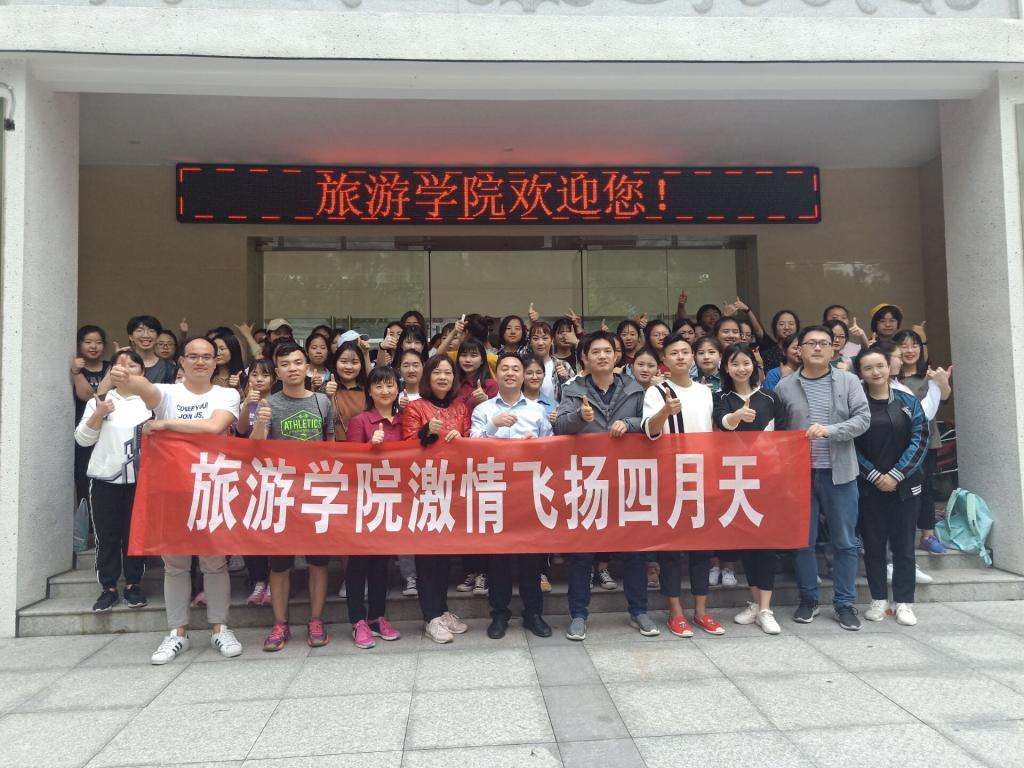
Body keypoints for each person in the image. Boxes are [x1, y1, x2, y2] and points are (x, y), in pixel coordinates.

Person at [110, 336, 243, 663]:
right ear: (181, 361)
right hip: (171, 490)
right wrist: (127, 377)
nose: (200, 361)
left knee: (214, 563)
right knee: (175, 564)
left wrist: (166, 423)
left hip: (212, 488)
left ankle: (220, 628)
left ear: (215, 362)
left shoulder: (226, 394)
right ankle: (176, 633)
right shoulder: (168, 392)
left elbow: (214, 427)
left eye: (207, 356)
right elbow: (145, 388)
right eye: (193, 356)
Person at [555, 331, 654, 641]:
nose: (602, 356)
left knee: (634, 550)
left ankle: (639, 611)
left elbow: (651, 423)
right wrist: (579, 417)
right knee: (582, 552)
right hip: (588, 480)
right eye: (595, 352)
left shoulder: (635, 388)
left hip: (627, 480)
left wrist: (631, 424)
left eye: (607, 351)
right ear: (584, 358)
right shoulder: (573, 389)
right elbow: (559, 426)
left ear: (616, 355)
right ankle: (578, 614)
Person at [775, 325, 870, 630]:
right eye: (811, 343)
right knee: (803, 541)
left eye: (823, 343)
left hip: (840, 473)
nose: (817, 348)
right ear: (799, 349)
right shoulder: (784, 387)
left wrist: (831, 431)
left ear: (833, 349)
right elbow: (778, 432)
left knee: (844, 542)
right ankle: (808, 599)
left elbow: (863, 419)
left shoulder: (849, 381)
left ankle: (844, 604)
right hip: (799, 475)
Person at [251, 341, 334, 651]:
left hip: (315, 493)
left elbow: (330, 444)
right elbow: (254, 448)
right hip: (281, 494)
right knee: (280, 564)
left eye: (298, 362)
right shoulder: (269, 404)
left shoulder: (323, 402)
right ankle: (280, 624)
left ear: (307, 367)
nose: (293, 368)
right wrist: (260, 423)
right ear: (277, 371)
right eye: (285, 364)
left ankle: (316, 621)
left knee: (318, 562)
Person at [642, 333, 721, 638]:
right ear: (664, 359)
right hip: (670, 478)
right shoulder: (656, 391)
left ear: (693, 357)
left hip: (703, 477)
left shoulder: (704, 392)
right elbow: (649, 431)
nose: (680, 357)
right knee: (672, 549)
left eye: (685, 352)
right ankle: (675, 612)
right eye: (673, 352)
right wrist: (665, 411)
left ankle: (701, 611)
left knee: (702, 547)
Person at [470, 353, 554, 639]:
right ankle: (499, 614)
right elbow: (470, 447)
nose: (509, 373)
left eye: (515, 369)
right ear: (497, 374)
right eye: (504, 368)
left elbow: (552, 449)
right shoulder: (483, 410)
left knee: (532, 559)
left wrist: (537, 445)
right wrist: (493, 425)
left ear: (523, 375)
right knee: (498, 560)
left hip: (528, 492)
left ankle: (533, 614)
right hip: (494, 492)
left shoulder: (537, 410)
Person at [853, 346, 928, 626]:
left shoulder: (908, 402)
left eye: (880, 366)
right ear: (860, 373)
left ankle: (904, 603)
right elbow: (850, 445)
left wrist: (896, 474)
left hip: (905, 487)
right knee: (873, 546)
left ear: (889, 367)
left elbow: (920, 440)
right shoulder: (856, 405)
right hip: (869, 488)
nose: (875, 372)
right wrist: (874, 475)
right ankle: (878, 600)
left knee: (904, 547)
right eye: (868, 368)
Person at [75, 349, 152, 612]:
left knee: (136, 535)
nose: (126, 370)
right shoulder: (100, 401)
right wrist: (99, 414)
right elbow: (82, 440)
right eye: (119, 365)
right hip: (104, 478)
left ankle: (133, 585)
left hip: (141, 480)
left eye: (132, 365)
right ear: (111, 372)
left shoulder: (151, 402)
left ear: (142, 372)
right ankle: (108, 588)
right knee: (106, 536)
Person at [712, 343, 781, 635]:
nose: (741, 368)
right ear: (726, 368)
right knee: (748, 544)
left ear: (754, 365)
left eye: (746, 362)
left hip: (767, 479)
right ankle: (755, 603)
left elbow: (783, 436)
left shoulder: (770, 397)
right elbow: (723, 423)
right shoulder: (720, 397)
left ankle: (766, 608)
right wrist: (738, 416)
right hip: (735, 479)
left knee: (766, 543)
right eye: (735, 363)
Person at [402, 355, 471, 643]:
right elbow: (406, 448)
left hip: (452, 489)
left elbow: (471, 445)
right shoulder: (415, 407)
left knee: (444, 554)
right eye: (437, 372)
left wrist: (461, 439)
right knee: (427, 555)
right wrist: (426, 433)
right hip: (425, 489)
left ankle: (441, 610)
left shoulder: (461, 408)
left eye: (448, 372)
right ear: (428, 377)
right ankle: (430, 616)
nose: (443, 377)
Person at [345, 366, 405, 649]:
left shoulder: (404, 420)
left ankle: (377, 617)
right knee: (358, 564)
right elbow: (349, 462)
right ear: (369, 390)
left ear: (397, 389)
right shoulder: (360, 421)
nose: (385, 391)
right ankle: (357, 620)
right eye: (378, 386)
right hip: (363, 502)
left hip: (392, 501)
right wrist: (370, 446)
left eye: (390, 385)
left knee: (381, 563)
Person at [893, 330, 953, 554]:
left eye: (914, 345)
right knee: (899, 490)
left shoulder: (928, 376)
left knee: (925, 487)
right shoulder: (890, 377)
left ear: (921, 349)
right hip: (897, 443)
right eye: (904, 345)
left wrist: (942, 382)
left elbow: (944, 397)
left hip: (926, 444)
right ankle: (900, 536)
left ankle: (927, 535)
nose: (909, 350)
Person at [234, 358, 275, 606]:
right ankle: (258, 580)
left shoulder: (278, 402)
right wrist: (246, 405)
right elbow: (240, 431)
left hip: (274, 473)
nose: (259, 380)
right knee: (250, 527)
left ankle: (273, 581)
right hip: (248, 473)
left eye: (265, 375)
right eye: (255, 375)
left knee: (272, 529)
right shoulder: (244, 403)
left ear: (274, 378)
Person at [72, 325, 111, 506]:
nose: (94, 346)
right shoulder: (76, 368)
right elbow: (88, 396)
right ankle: (86, 518)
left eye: (98, 342)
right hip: (84, 429)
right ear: (79, 344)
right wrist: (76, 372)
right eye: (88, 342)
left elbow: (101, 396)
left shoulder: (110, 367)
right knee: (83, 474)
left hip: (108, 430)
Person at [126, 315, 177, 384]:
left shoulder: (169, 368)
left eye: (151, 331)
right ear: (131, 337)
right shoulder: (122, 364)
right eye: (139, 330)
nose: (146, 335)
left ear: (158, 336)